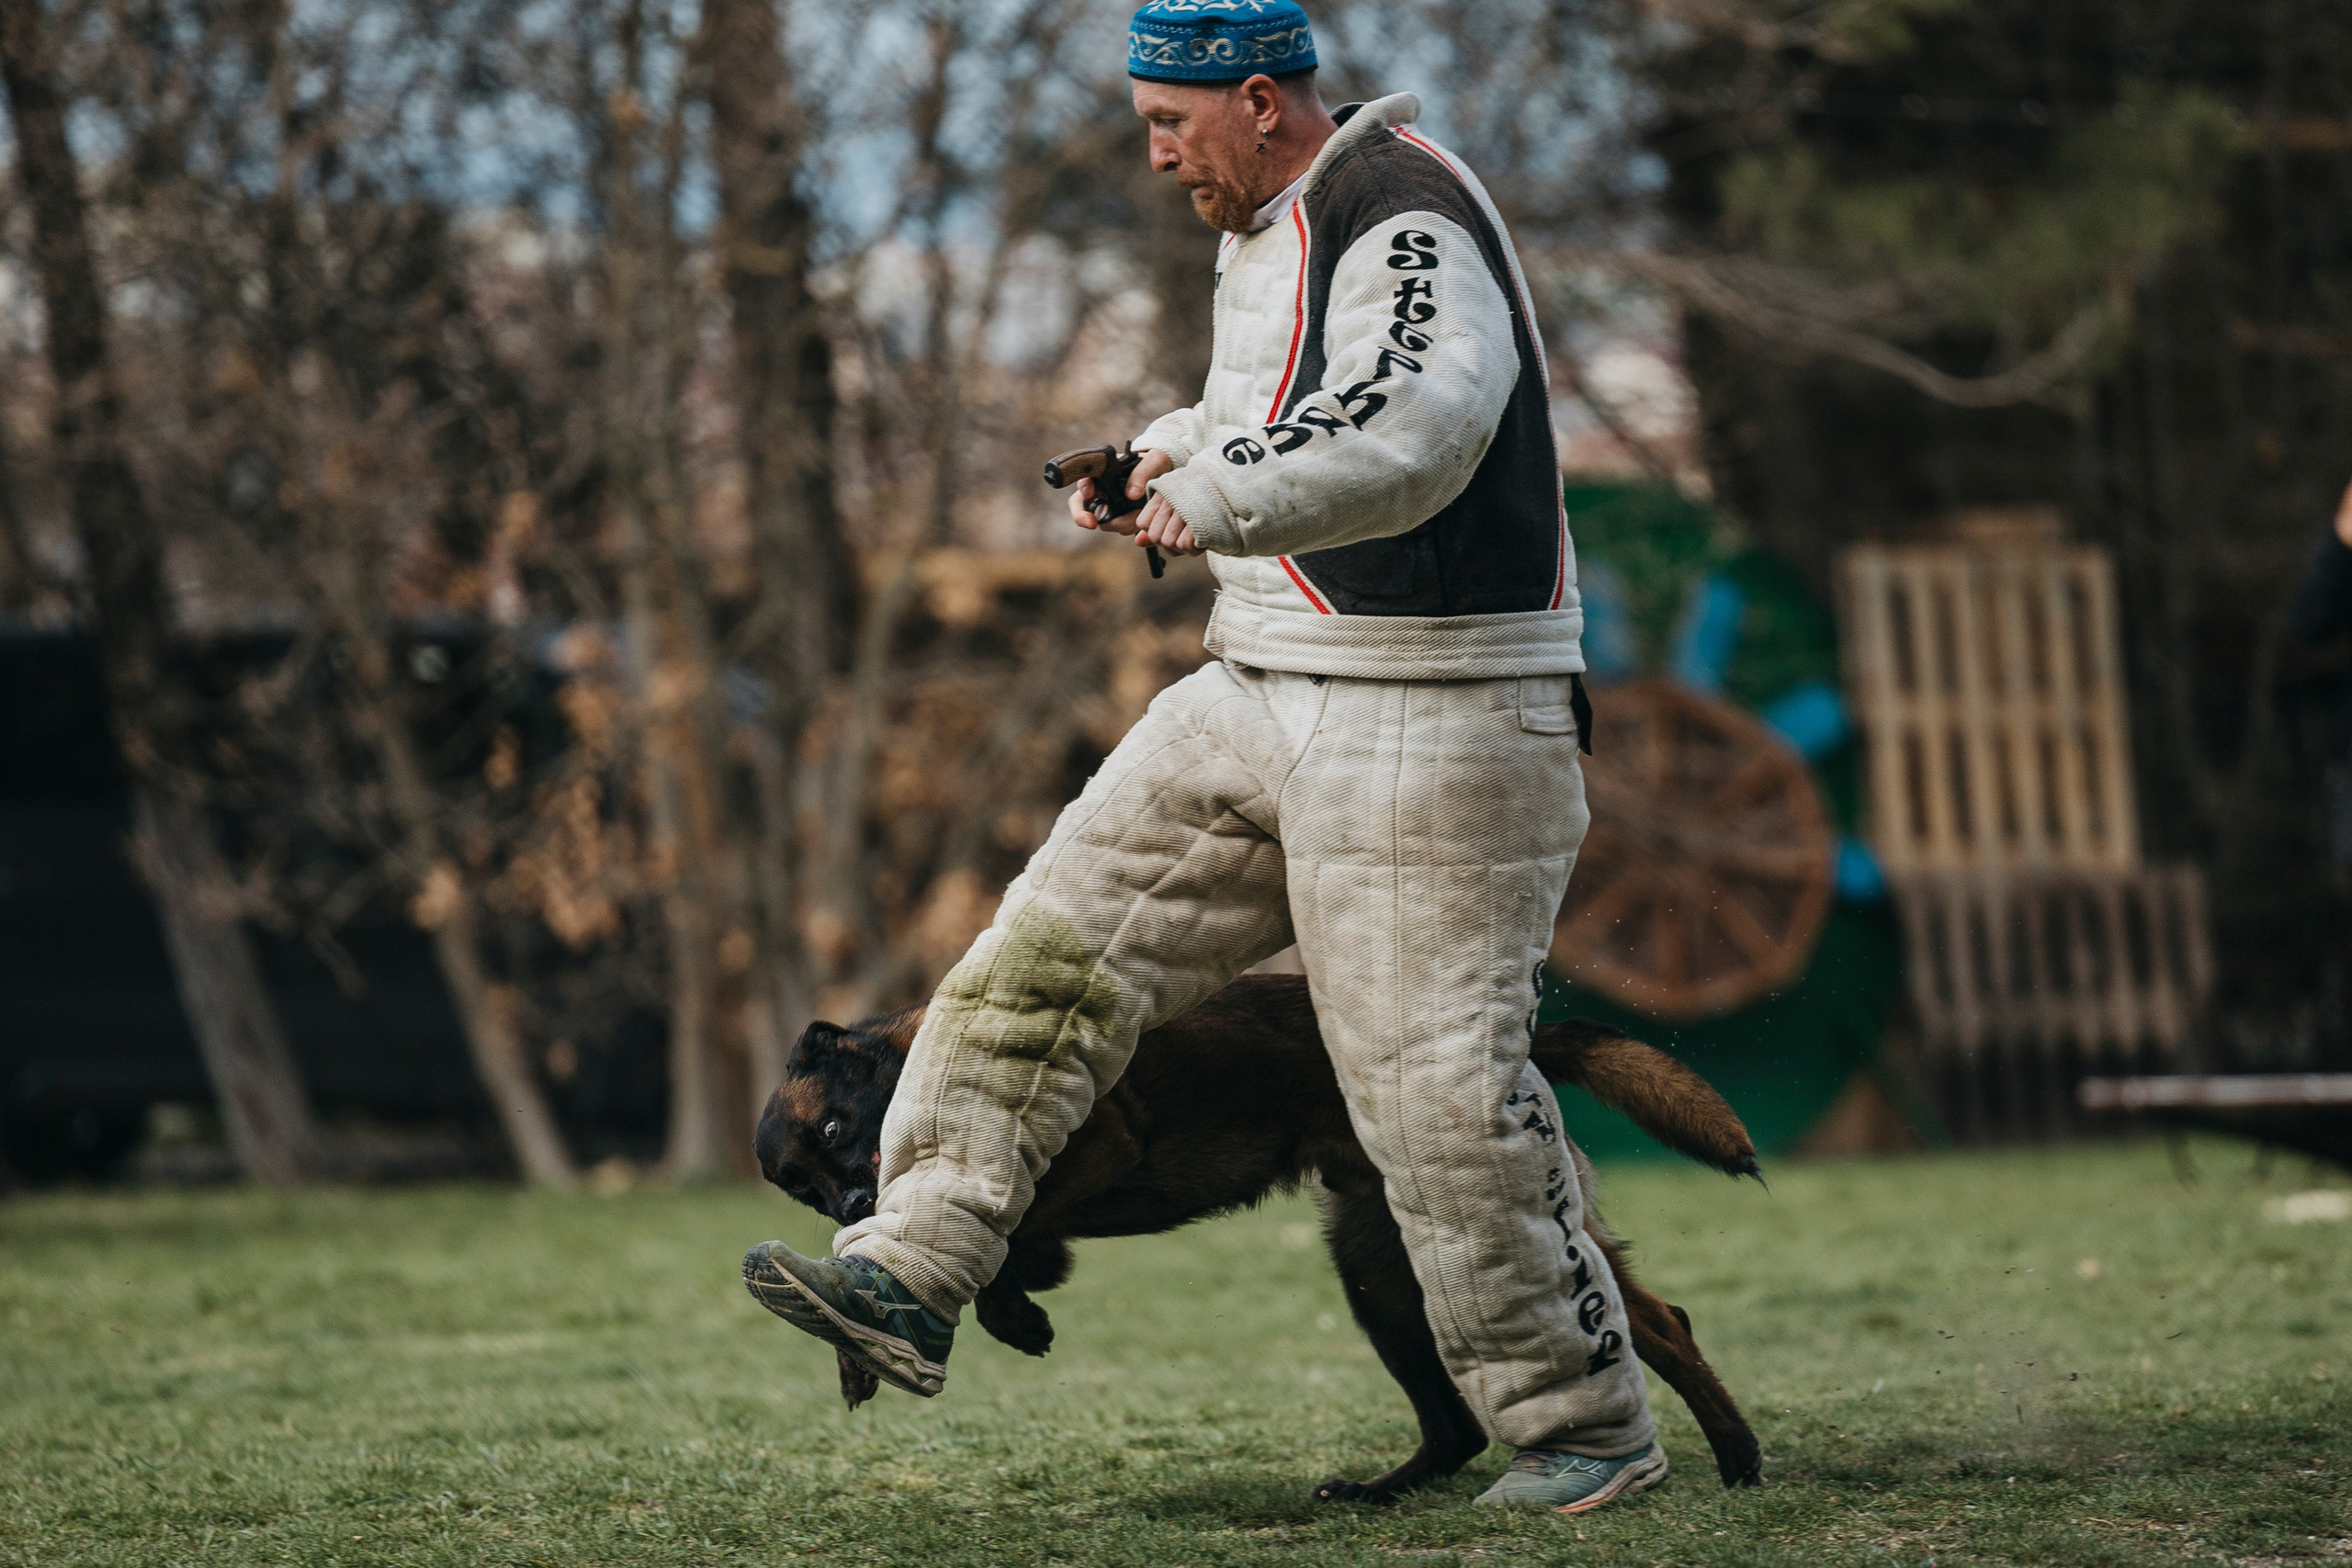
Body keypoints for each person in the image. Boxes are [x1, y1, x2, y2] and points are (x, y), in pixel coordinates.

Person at [743, 0, 1666, 1514]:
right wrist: (1168, 455)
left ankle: (1584, 1430)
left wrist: (1224, 487)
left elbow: (1416, 426)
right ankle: (909, 1269)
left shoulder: (1407, 211)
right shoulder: (1268, 233)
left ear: (1255, 99)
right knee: (1035, 964)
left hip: (1440, 712)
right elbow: (1269, 417)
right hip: (1261, 679)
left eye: (1168, 127)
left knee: (1432, 1097)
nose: (1158, 158)